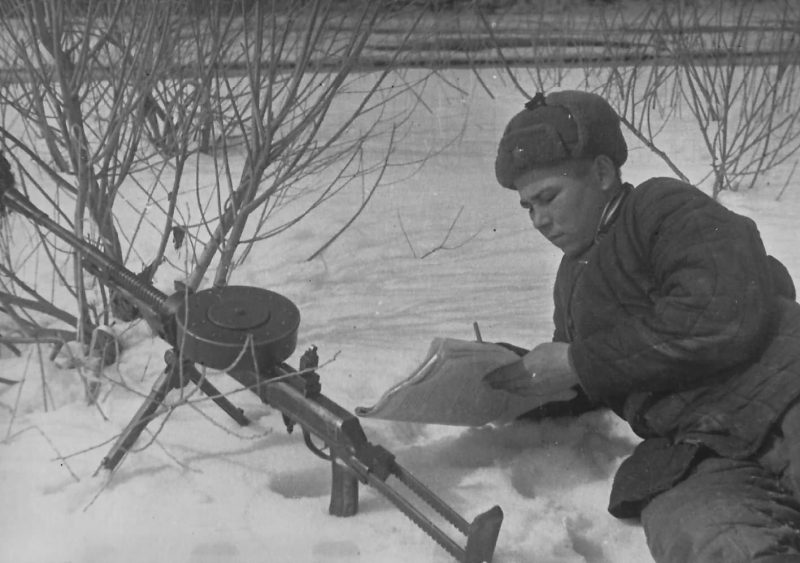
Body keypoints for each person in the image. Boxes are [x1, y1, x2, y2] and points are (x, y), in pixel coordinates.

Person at [483, 90, 800, 563]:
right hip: (700, 452)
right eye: (528, 207)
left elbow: (718, 312)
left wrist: (575, 361)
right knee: (709, 536)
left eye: (548, 197)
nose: (540, 220)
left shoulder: (661, 208)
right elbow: (596, 372)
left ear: (604, 173)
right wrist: (508, 377)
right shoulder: (572, 280)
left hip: (783, 395)